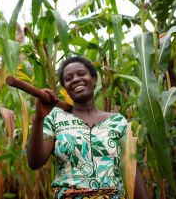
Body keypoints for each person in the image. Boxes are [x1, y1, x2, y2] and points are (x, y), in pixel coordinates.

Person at [27, 56, 148, 199]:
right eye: (69, 78)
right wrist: (39, 118)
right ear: (65, 88)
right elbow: (35, 162)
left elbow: (131, 167)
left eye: (81, 74)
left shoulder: (117, 121)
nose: (76, 79)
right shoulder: (55, 118)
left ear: (94, 80)